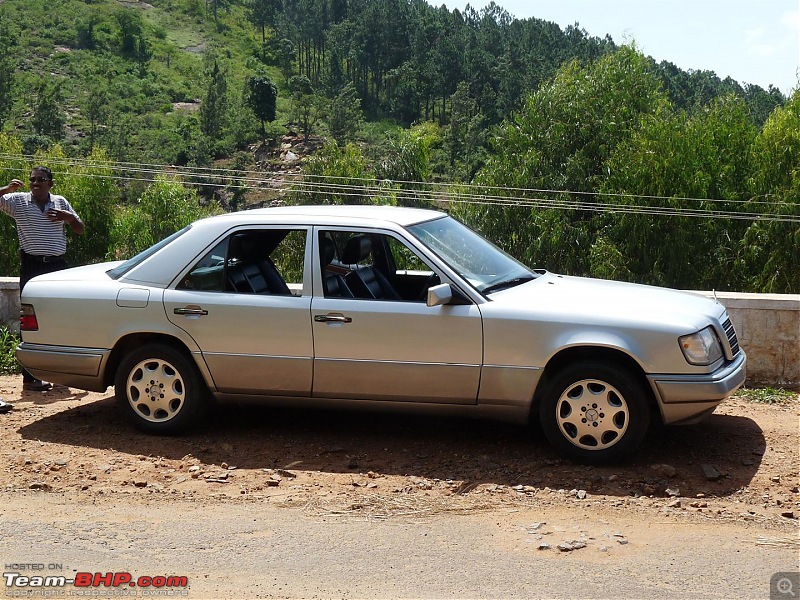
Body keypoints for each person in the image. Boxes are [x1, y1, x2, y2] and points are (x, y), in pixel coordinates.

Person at [0, 166, 85, 409]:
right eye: (32, 180)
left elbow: (80, 228)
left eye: (40, 180)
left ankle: (58, 373)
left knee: (59, 318)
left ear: (51, 183)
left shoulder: (60, 202)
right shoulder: (18, 201)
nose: (35, 183)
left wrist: (68, 218)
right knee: (30, 320)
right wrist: (6, 188)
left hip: (58, 267)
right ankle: (30, 378)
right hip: (32, 266)